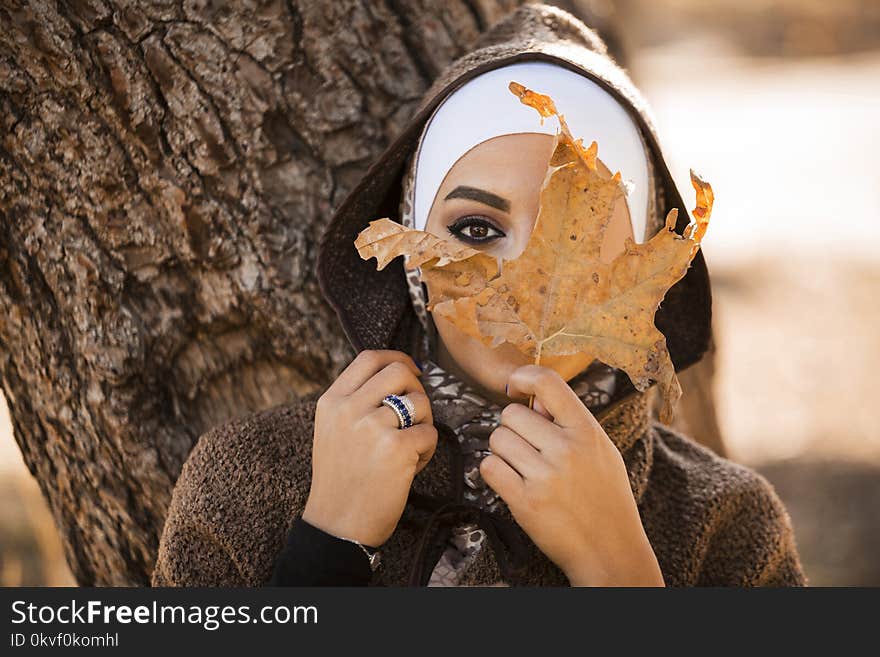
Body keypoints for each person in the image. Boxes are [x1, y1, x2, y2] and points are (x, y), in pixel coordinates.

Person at [152, 4, 805, 587]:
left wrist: (619, 574)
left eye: (585, 242)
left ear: (644, 281)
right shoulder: (249, 482)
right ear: (411, 252)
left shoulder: (726, 521)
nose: (524, 291)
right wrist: (328, 546)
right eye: (476, 229)